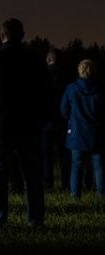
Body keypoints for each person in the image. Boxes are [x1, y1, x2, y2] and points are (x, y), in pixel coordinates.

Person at [0, 18, 52, 229]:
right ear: (22, 35)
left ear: (1, 36)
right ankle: (35, 220)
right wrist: (41, 120)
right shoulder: (36, 61)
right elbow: (47, 94)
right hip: (29, 126)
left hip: (0, 126)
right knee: (32, 176)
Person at [60, 59, 103, 198]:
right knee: (99, 166)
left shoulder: (71, 88)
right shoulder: (100, 90)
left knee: (77, 166)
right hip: (96, 133)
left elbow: (63, 109)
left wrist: (71, 121)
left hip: (77, 133)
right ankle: (101, 194)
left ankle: (75, 195)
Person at [42, 50, 71, 192]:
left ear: (48, 59)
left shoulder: (42, 76)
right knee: (64, 155)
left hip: (46, 122)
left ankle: (48, 184)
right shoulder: (66, 76)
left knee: (46, 156)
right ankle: (66, 183)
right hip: (62, 121)